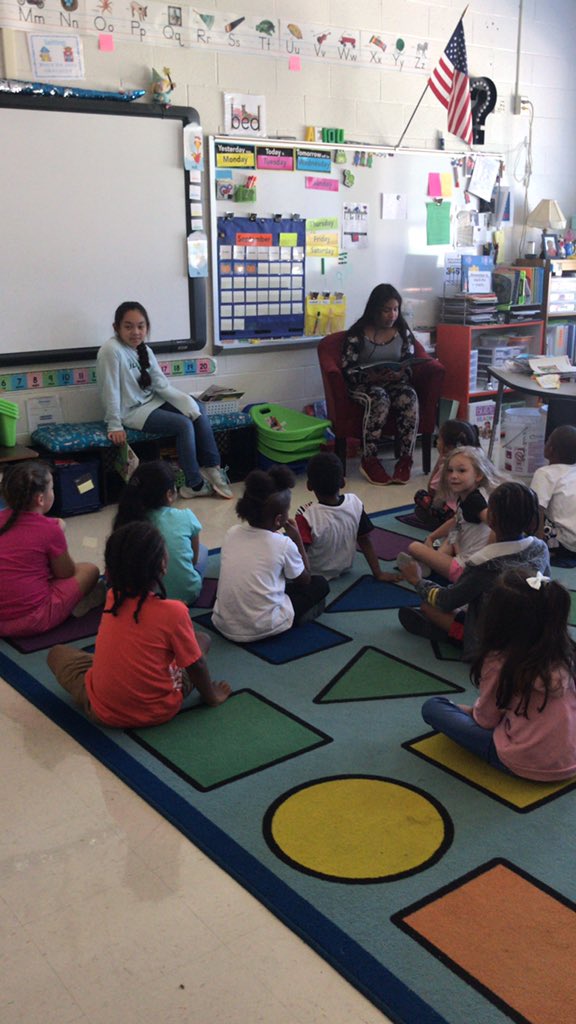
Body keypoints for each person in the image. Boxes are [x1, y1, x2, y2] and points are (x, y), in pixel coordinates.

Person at [47, 521, 231, 728]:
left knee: (57, 654)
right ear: (162, 565)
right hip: (159, 710)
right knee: (202, 640)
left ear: (110, 569)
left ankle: (116, 674)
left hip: (102, 709)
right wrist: (211, 696)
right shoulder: (174, 612)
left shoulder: (112, 597)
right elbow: (196, 665)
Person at [421, 569, 576, 781]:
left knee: (433, 707)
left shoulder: (499, 661)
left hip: (523, 760)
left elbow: (486, 721)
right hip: (571, 758)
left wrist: (467, 710)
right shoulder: (565, 654)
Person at [398, 481, 550, 662]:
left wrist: (417, 581)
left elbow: (446, 601)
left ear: (491, 519)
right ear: (533, 520)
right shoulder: (541, 548)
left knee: (429, 606)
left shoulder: (483, 564)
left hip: (493, 642)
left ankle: (458, 637)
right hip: (533, 633)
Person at [97, 301, 233, 500]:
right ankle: (193, 485)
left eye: (141, 326)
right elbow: (110, 390)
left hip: (151, 401)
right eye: (128, 326)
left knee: (198, 407)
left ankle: (213, 468)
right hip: (132, 410)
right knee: (183, 425)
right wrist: (114, 425)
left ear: (147, 327)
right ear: (116, 328)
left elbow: (161, 386)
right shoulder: (111, 350)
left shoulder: (145, 350)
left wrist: (187, 403)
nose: (135, 331)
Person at [212, 465, 330, 643]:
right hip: (264, 627)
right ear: (279, 520)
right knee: (320, 584)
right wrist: (297, 539)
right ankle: (294, 620)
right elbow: (305, 579)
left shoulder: (231, 532)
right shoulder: (283, 544)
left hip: (222, 623)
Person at [0, 461, 102, 638]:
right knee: (90, 570)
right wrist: (58, 530)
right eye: (52, 488)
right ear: (40, 499)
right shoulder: (49, 529)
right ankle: (76, 606)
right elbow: (66, 572)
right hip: (30, 620)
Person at [341, 283, 419, 486]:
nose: (391, 315)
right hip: (364, 386)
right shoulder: (357, 334)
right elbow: (347, 369)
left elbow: (409, 362)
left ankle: (405, 459)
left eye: (395, 309)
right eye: (386, 310)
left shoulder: (402, 332)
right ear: (375, 309)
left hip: (393, 382)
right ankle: (370, 459)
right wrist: (370, 377)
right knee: (380, 399)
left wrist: (401, 372)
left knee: (409, 397)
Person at [113, 460, 207, 606]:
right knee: (203, 551)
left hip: (140, 600)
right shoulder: (186, 516)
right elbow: (193, 560)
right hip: (185, 596)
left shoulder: (127, 519)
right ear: (169, 494)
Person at [399, 446, 498, 583]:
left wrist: (489, 556)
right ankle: (431, 562)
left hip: (467, 572)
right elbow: (456, 520)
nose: (453, 476)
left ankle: (425, 565)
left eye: (461, 471)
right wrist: (432, 537)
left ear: (478, 475)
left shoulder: (474, 501)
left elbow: (497, 525)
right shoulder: (472, 495)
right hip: (470, 563)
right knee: (452, 535)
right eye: (450, 471)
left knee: (414, 547)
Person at [295, 451, 398, 581]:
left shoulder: (306, 515)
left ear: (309, 486)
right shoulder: (355, 503)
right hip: (344, 567)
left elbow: (300, 552)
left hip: (315, 574)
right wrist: (378, 573)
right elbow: (365, 539)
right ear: (343, 482)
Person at [413, 418, 481, 528]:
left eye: (439, 439)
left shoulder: (449, 464)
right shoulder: (477, 458)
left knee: (420, 496)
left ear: (448, 447)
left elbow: (431, 490)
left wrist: (440, 459)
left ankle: (439, 522)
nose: (437, 442)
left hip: (451, 512)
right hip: (471, 510)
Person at [530, 425, 576, 561]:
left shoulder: (545, 473)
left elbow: (537, 509)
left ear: (550, 449)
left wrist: (538, 546)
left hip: (565, 545)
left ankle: (545, 549)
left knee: (524, 506)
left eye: (548, 440)